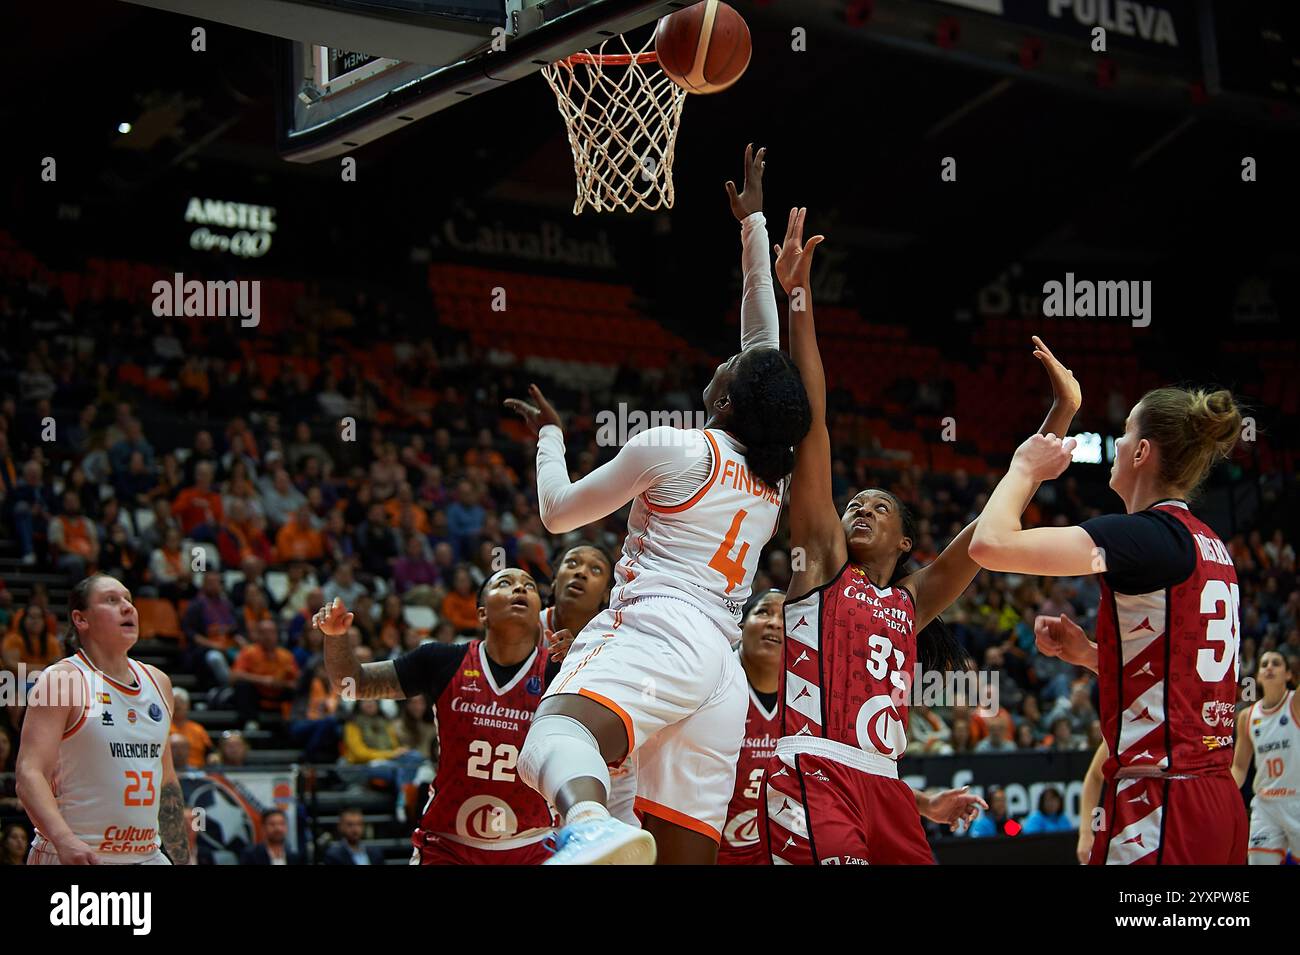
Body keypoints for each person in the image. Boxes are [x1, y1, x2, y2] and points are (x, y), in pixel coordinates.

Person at [505, 146, 811, 865]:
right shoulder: (771, 480)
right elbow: (763, 344)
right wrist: (753, 224)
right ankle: (599, 822)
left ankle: (586, 822)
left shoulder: (673, 448)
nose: (725, 359)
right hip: (719, 667)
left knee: (553, 738)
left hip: (656, 628)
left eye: (730, 368)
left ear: (729, 397)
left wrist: (550, 437)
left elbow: (557, 513)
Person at [761, 210, 1077, 865]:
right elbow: (814, 422)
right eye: (854, 504)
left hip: (886, 784)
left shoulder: (911, 602)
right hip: (814, 770)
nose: (861, 510)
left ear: (907, 543)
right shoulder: (820, 563)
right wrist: (799, 298)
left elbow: (990, 527)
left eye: (879, 507)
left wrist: (1061, 413)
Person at [970, 386, 1248, 864]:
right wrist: (1090, 657)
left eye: (1124, 433)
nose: (1116, 445)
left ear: (1142, 451)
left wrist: (1024, 467)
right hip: (1217, 799)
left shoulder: (1143, 536)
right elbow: (1183, 681)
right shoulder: (1211, 545)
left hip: (1163, 802)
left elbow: (990, 545)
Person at [319, 567, 561, 865]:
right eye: (506, 583)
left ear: (539, 611)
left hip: (531, 845)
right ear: (483, 614)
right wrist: (336, 637)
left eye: (529, 586)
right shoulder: (441, 660)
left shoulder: (559, 672)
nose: (520, 589)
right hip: (449, 845)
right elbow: (352, 684)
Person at [16, 574, 189, 863]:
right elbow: (29, 773)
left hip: (147, 855)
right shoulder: (63, 680)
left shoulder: (158, 682)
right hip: (77, 853)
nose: (127, 607)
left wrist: (182, 856)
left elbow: (166, 781)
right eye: (111, 600)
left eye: (129, 600)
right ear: (81, 619)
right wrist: (64, 840)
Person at [716, 589, 782, 865]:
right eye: (764, 612)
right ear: (741, 626)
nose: (775, 623)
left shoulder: (809, 700)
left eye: (785, 617)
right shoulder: (713, 682)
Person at [1231, 650, 1299, 864]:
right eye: (1264, 664)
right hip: (1265, 805)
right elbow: (1240, 767)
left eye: (1276, 663)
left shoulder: (1295, 703)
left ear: (1288, 674)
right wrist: (1226, 795)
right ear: (1258, 676)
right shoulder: (1247, 716)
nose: (1269, 667)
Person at [239, 808, 304, 865]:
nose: (278, 828)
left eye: (281, 824)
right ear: (263, 828)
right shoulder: (251, 855)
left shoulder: (294, 857)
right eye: (272, 824)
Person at [170, 687, 213, 768]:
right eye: (174, 702)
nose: (177, 705)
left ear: (188, 705)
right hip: (169, 771)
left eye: (181, 702)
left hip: (197, 773)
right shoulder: (162, 728)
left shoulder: (198, 729)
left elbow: (210, 752)